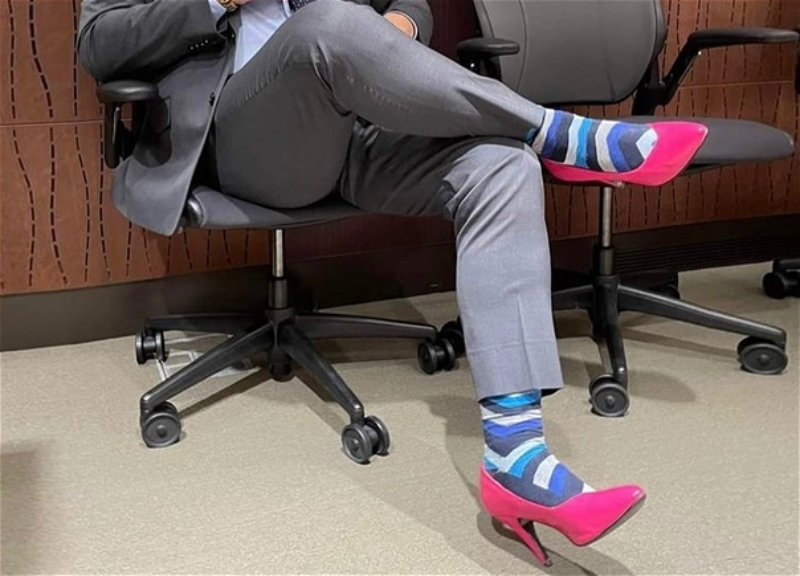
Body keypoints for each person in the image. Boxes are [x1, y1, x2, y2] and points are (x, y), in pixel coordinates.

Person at [77, 0, 706, 565]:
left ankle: (516, 459)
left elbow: (410, 6)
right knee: (326, 21)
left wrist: (398, 28)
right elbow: (99, 42)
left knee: (500, 167)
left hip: (353, 133)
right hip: (238, 145)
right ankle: (559, 134)